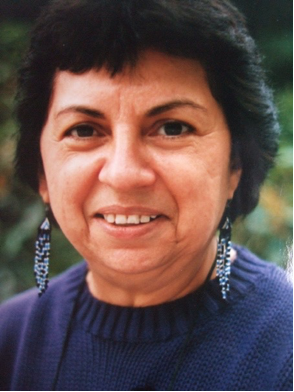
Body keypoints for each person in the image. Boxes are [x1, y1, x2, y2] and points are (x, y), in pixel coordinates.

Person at [0, 0, 292, 390]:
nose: (123, 174)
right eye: (84, 130)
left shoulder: (282, 353)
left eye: (172, 128)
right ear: (42, 172)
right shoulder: (9, 341)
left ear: (235, 165)